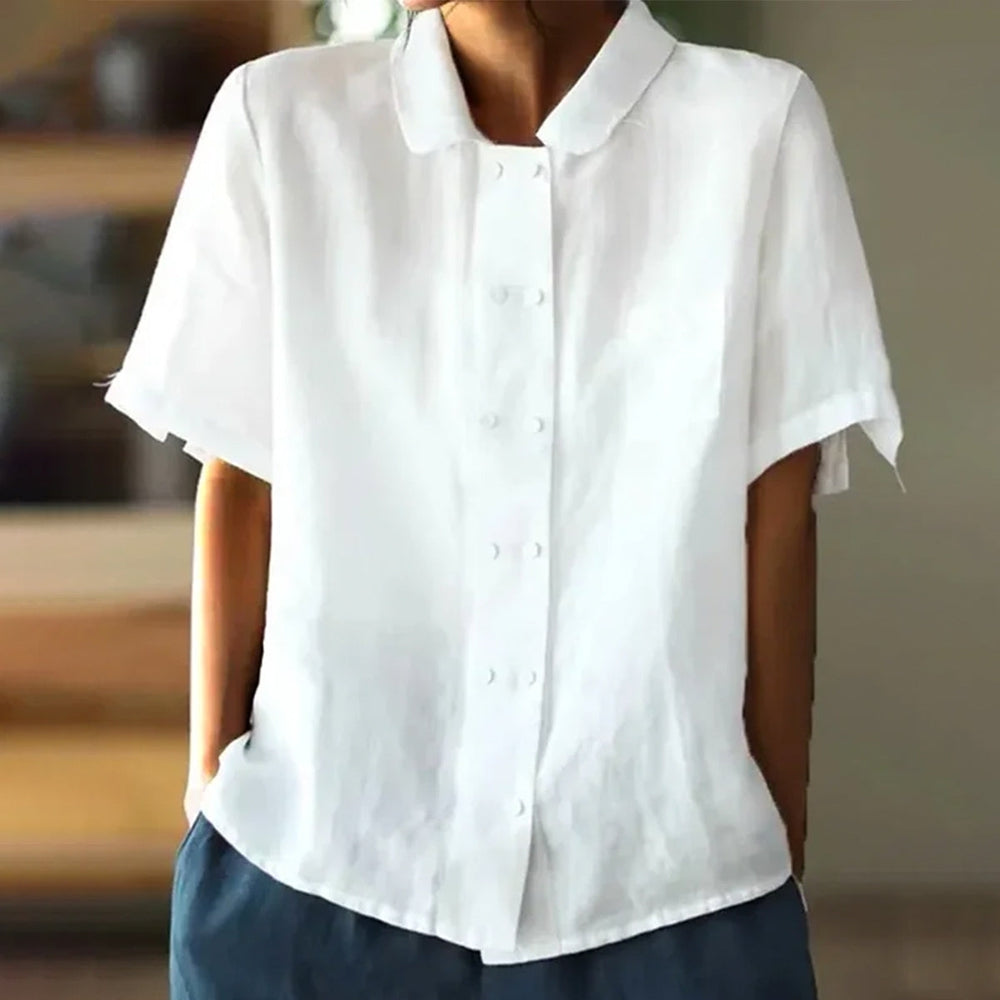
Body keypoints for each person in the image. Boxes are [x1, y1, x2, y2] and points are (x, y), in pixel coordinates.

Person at [104, 1, 904, 997]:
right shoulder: (280, 119)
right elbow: (241, 478)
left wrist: (772, 844)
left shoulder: (756, 124)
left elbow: (775, 513)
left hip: (669, 894)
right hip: (308, 882)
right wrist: (210, 790)